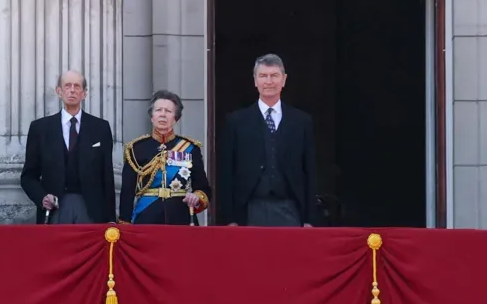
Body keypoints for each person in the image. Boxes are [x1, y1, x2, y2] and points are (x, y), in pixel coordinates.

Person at [218, 54, 316, 227]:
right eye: (263, 76)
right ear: (255, 80)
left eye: (274, 75)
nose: (269, 81)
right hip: (249, 209)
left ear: (284, 80)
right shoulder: (236, 121)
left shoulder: (302, 121)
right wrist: (230, 218)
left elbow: (309, 171)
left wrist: (309, 219)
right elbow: (227, 172)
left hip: (290, 209)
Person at [19, 70, 116, 224]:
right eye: (67, 86)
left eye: (77, 86)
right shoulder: (40, 128)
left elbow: (107, 177)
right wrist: (42, 197)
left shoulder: (101, 128)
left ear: (84, 93)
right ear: (59, 91)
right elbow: (28, 176)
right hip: (55, 209)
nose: (72, 90)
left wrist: (111, 219)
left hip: (92, 211)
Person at [120, 90, 211, 225]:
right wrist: (125, 224)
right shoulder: (136, 148)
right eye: (158, 110)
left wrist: (196, 197)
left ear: (175, 118)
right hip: (146, 216)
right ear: (152, 117)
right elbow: (127, 192)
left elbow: (203, 187)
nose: (162, 114)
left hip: (180, 217)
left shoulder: (190, 148)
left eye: (168, 111)